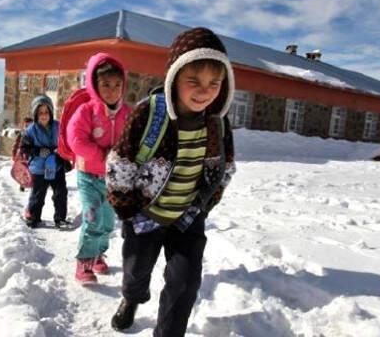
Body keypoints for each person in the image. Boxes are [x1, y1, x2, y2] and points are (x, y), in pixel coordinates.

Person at [106, 27, 236, 335]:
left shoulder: (217, 123)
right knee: (136, 272)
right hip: (145, 216)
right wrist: (128, 210)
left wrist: (203, 206)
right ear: (174, 77)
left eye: (214, 83)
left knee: (186, 282)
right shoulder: (149, 115)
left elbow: (224, 169)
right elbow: (120, 163)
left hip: (187, 219)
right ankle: (131, 298)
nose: (204, 90)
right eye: (193, 80)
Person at [67, 53, 132, 285]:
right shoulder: (87, 111)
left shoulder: (128, 114)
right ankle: (84, 262)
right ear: (95, 84)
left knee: (106, 222)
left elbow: (134, 140)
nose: (112, 90)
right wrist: (104, 155)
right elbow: (76, 140)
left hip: (114, 180)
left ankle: (98, 255)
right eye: (105, 84)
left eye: (117, 85)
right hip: (88, 177)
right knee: (92, 218)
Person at [20, 95, 68, 228]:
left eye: (46, 112)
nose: (44, 115)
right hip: (39, 168)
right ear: (35, 114)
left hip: (56, 166)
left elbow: (66, 141)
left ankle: (60, 218)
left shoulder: (58, 126)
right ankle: (33, 217)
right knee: (38, 195)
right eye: (40, 113)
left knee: (60, 193)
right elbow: (24, 148)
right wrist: (37, 151)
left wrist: (62, 153)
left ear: (51, 112)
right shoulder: (30, 131)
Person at [12, 117, 34, 192]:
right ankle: (22, 184)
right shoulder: (21, 134)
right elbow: (16, 144)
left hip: (31, 154)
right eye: (26, 125)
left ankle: (32, 183)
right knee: (22, 170)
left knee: (31, 170)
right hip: (21, 155)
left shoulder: (34, 134)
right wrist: (14, 153)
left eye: (30, 124)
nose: (28, 126)